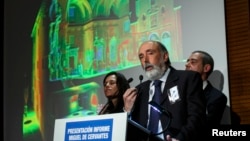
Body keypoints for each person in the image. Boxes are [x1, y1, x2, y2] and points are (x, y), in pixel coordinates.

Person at [123, 40, 206, 141]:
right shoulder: (140, 90)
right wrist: (127, 111)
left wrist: (180, 139)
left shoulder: (188, 79)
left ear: (165, 56)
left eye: (150, 53)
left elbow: (196, 117)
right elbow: (133, 127)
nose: (145, 60)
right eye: (141, 56)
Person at [185, 50, 227, 126]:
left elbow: (204, 126)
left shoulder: (217, 98)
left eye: (193, 62)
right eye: (187, 61)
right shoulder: (179, 90)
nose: (187, 64)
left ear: (206, 68)